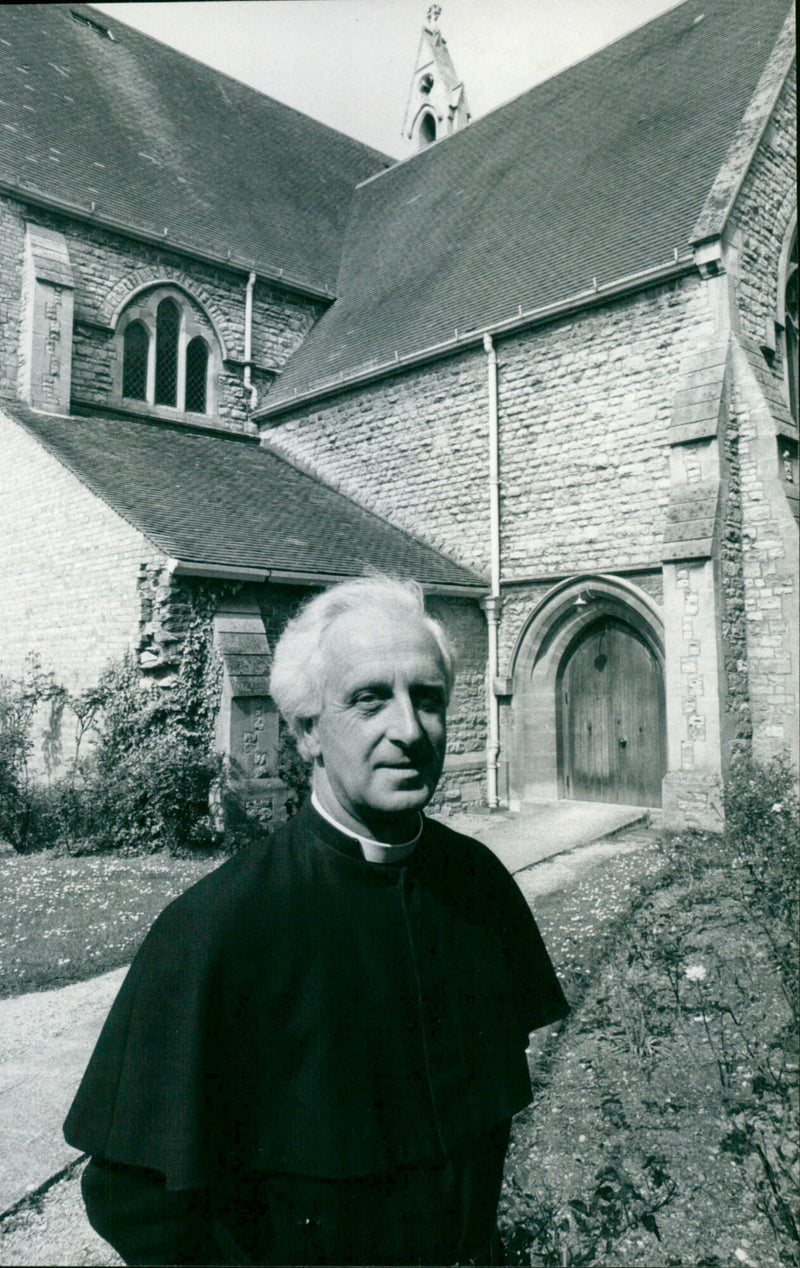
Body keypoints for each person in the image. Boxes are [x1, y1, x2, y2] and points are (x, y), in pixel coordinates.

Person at [64, 575, 568, 1266]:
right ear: (306, 730)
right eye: (369, 699)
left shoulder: (478, 886)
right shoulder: (219, 929)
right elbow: (133, 1199)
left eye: (428, 699)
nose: (409, 729)